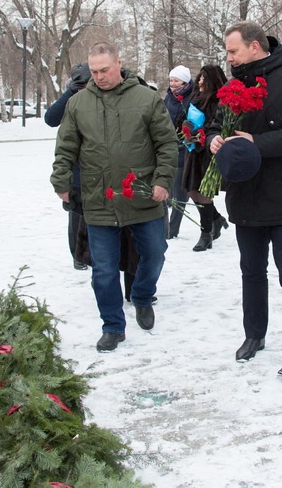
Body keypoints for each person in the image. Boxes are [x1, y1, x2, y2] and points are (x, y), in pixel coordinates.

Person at [208, 20, 282, 380]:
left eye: (233, 51)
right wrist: (213, 137)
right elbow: (216, 120)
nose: (228, 58)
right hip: (245, 193)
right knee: (251, 272)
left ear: (254, 47)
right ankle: (254, 334)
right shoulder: (234, 83)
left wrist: (258, 143)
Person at [51, 42, 178, 352]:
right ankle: (112, 326)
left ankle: (143, 295)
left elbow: (167, 144)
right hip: (99, 197)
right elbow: (65, 147)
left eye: (105, 70)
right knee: (103, 270)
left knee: (154, 252)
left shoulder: (146, 99)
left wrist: (162, 180)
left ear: (119, 63)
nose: (100, 77)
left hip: (141, 193)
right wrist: (61, 181)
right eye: (94, 72)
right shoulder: (78, 104)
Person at [46, 62, 92, 270]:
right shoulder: (70, 97)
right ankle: (77, 254)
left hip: (97, 162)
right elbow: (50, 119)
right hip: (76, 164)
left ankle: (91, 251)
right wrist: (69, 93)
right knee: (77, 212)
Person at [182, 64, 229, 251]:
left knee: (203, 192)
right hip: (193, 149)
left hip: (207, 150)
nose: (199, 80)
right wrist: (185, 126)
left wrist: (201, 132)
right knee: (192, 190)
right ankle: (216, 219)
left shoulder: (217, 99)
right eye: (199, 77)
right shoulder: (194, 95)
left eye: (203, 77)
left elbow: (216, 123)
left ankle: (205, 233)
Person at [164, 65, 194, 240]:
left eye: (176, 80)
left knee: (180, 190)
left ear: (185, 81)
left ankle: (172, 229)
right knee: (180, 189)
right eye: (171, 80)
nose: (173, 84)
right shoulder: (168, 97)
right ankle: (214, 218)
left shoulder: (192, 97)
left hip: (186, 146)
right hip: (169, 145)